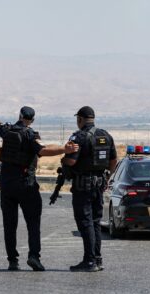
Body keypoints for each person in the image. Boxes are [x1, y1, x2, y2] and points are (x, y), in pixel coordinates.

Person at [0, 106, 78, 272]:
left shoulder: (7, 130)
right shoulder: (30, 134)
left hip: (6, 184)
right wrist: (65, 149)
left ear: (19, 116)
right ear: (32, 120)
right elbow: (43, 150)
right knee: (33, 223)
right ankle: (34, 256)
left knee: (9, 224)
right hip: (25, 184)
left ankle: (12, 260)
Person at [62, 106, 117, 272]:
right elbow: (113, 160)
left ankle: (90, 260)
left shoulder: (79, 136)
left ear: (80, 119)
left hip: (83, 185)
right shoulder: (105, 135)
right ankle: (97, 259)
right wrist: (106, 177)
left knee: (85, 222)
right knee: (95, 222)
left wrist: (63, 159)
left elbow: (71, 161)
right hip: (99, 184)